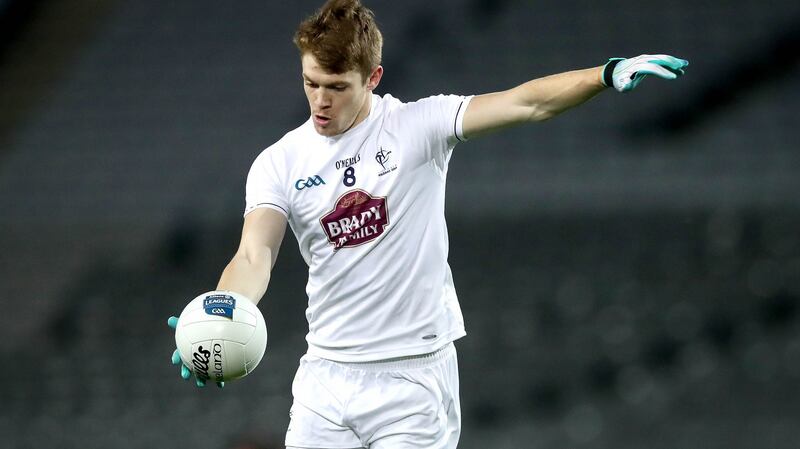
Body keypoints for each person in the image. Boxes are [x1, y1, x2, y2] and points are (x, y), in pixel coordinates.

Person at [167, 0, 688, 447]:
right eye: (310, 82)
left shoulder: (419, 127)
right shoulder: (280, 161)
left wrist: (603, 74)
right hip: (325, 378)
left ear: (372, 78)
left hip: (412, 378)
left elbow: (525, 102)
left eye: (336, 86)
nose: (320, 100)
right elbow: (254, 254)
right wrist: (222, 316)